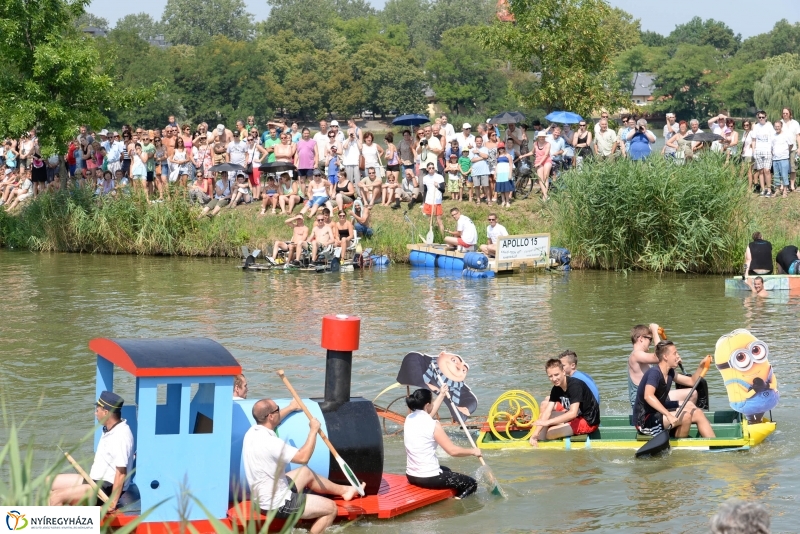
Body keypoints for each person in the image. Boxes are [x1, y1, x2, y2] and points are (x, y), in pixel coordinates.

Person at [242, 398, 363, 534]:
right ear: (270, 416)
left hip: (262, 497)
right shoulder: (271, 443)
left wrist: (291, 407)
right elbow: (303, 457)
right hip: (277, 504)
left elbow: (273, 420)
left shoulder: (252, 432)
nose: (279, 410)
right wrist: (313, 430)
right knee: (331, 508)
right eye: (277, 409)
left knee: (304, 472)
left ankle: (345, 491)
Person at [49, 391, 134, 511]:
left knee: (56, 497)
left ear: (106, 412)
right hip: (94, 481)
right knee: (49, 481)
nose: (95, 413)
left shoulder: (121, 435)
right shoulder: (111, 428)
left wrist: (112, 503)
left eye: (97, 410)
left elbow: (121, 473)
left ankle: (59, 524)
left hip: (105, 489)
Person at [404, 387, 480, 499]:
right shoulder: (433, 425)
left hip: (411, 475)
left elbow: (428, 412)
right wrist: (473, 451)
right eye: (432, 402)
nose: (433, 404)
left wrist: (442, 394)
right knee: (471, 484)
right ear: (427, 405)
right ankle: (455, 502)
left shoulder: (410, 418)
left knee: (446, 470)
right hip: (428, 478)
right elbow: (452, 451)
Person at [634, 341, 715, 439]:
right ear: (665, 357)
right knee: (686, 417)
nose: (678, 356)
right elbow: (648, 396)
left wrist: (701, 365)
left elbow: (692, 381)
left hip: (658, 411)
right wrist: (669, 415)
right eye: (675, 353)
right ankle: (678, 446)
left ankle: (714, 445)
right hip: (645, 420)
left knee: (696, 411)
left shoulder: (670, 372)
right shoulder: (654, 373)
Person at [529, 358, 600, 446]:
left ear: (563, 371)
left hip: (588, 421)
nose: (554, 379)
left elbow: (572, 413)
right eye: (550, 376)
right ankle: (538, 441)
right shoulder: (556, 389)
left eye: (556, 374)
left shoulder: (575, 386)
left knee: (550, 433)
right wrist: (535, 434)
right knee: (546, 416)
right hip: (577, 416)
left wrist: (548, 423)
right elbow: (547, 412)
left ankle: (544, 441)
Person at [628, 324, 696, 408]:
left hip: (656, 397)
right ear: (641, 339)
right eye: (650, 339)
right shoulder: (635, 355)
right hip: (642, 403)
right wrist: (655, 331)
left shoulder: (645, 358)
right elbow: (659, 356)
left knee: (693, 394)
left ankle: (681, 418)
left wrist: (673, 360)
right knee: (688, 404)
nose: (651, 342)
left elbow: (663, 363)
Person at [519, 131, 552, 201]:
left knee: (546, 177)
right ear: (538, 137)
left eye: (543, 137)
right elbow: (532, 152)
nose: (542, 138)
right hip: (538, 161)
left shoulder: (548, 144)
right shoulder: (535, 144)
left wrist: (539, 163)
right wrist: (523, 155)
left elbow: (546, 155)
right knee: (540, 178)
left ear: (545, 137)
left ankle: (544, 195)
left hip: (546, 160)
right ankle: (545, 195)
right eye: (540, 137)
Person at [751, 110, 775, 197]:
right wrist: (754, 150)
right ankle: (763, 189)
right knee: (760, 171)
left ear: (766, 117)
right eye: (759, 117)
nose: (761, 119)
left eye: (763, 117)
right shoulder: (756, 127)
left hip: (767, 150)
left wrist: (772, 149)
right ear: (757, 118)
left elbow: (773, 139)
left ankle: (769, 190)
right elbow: (753, 139)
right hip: (758, 151)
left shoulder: (769, 126)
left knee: (767, 170)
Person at [422, 162, 445, 235]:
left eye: (433, 168)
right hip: (428, 201)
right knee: (430, 221)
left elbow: (443, 190)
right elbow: (425, 190)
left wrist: (437, 186)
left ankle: (442, 237)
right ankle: (432, 235)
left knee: (439, 221)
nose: (431, 169)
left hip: (437, 201)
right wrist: (423, 202)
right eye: (430, 168)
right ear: (427, 169)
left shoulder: (439, 177)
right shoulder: (425, 178)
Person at [771, 120, 793, 197]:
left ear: (781, 126)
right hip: (775, 159)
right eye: (775, 126)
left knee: (784, 175)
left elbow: (791, 145)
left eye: (778, 126)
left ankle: (785, 191)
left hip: (784, 158)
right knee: (776, 175)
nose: (777, 128)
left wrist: (787, 152)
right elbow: (771, 146)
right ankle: (777, 190)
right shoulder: (773, 135)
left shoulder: (786, 135)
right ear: (774, 127)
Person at [781, 107, 800, 191]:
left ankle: (792, 185)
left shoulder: (795, 123)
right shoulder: (780, 123)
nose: (785, 115)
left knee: (793, 167)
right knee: (783, 167)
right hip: (782, 149)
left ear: (790, 114)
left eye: (786, 113)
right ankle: (782, 184)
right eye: (783, 113)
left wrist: (799, 147)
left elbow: (798, 136)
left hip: (793, 149)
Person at [470, 136, 490, 205]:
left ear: (482, 141)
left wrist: (478, 152)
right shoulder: (471, 150)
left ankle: (488, 199)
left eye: (480, 141)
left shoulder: (485, 149)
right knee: (477, 186)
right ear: (475, 141)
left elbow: (486, 156)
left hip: (484, 170)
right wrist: (482, 158)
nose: (479, 142)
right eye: (477, 141)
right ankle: (478, 199)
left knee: (486, 186)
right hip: (475, 171)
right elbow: (472, 160)